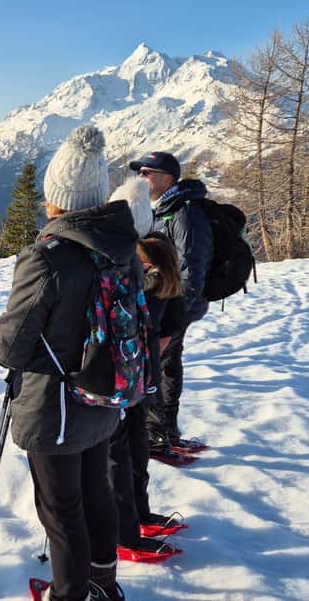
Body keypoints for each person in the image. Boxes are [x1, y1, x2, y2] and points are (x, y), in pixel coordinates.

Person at [0, 125, 137, 601]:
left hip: (54, 406)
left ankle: (69, 594)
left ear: (55, 198)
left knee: (61, 509)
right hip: (104, 393)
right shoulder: (122, 247)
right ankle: (103, 582)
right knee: (97, 489)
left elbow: (11, 347)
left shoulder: (48, 257)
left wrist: (0, 341)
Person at [106, 181, 186, 558]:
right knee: (134, 450)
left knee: (118, 456)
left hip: (120, 381)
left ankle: (126, 529)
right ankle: (136, 515)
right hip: (142, 379)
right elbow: (169, 334)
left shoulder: (127, 277)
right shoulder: (167, 285)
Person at [128, 152, 212, 450]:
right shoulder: (165, 209)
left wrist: (175, 318)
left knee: (159, 366)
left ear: (167, 178)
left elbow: (192, 269)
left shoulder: (185, 214)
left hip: (174, 309)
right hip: (164, 307)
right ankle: (165, 431)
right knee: (165, 366)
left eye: (147, 172)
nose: (141, 178)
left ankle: (156, 433)